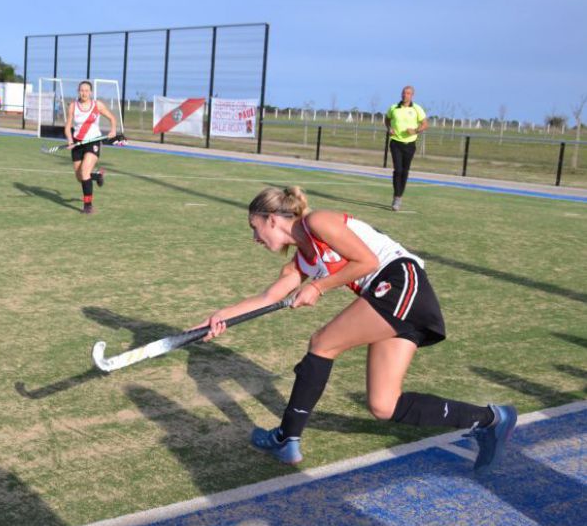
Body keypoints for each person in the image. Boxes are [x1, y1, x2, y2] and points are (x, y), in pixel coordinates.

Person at [197, 186, 517, 471]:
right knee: (383, 404)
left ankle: (286, 436)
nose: (255, 238)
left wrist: (318, 288)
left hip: (399, 282)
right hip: (391, 299)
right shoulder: (301, 262)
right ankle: (492, 419)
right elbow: (269, 297)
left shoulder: (317, 221)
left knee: (323, 342)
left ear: (271, 219)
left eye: (254, 228)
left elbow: (367, 262)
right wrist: (219, 317)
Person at [64, 81, 117, 214]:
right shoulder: (73, 106)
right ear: (78, 91)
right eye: (82, 90)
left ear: (91, 92)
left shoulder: (97, 105)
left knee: (84, 172)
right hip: (77, 143)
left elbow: (112, 118)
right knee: (79, 176)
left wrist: (113, 130)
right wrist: (70, 140)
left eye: (87, 90)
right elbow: (67, 126)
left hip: (93, 142)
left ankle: (88, 206)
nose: (84, 93)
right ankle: (97, 175)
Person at [384, 86, 427, 211]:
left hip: (409, 144)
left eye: (408, 93)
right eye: (403, 93)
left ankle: (400, 196)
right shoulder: (394, 108)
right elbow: (387, 119)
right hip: (396, 142)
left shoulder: (416, 109)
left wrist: (415, 130)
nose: (405, 95)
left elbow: (425, 124)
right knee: (397, 170)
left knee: (404, 171)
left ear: (412, 95)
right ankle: (396, 198)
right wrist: (389, 128)